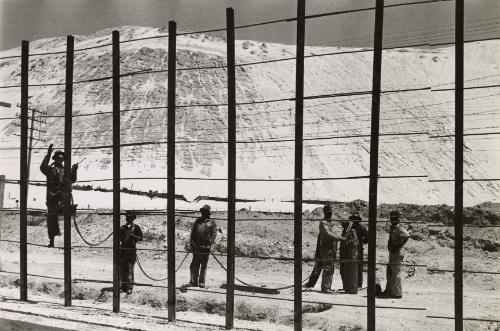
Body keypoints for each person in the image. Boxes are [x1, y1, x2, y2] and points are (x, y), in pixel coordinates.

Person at [40, 144, 78, 247]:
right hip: (52, 198)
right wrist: (48, 154)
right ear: (54, 159)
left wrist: (74, 170)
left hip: (63, 197)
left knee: (67, 216)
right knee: (51, 218)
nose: (59, 161)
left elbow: (73, 180)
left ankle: (67, 243)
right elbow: (42, 167)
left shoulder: (65, 170)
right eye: (57, 159)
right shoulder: (49, 169)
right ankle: (51, 241)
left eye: (61, 160)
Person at [304, 205, 346, 293]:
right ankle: (326, 288)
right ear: (325, 213)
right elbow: (328, 234)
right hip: (326, 249)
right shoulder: (323, 222)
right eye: (328, 212)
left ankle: (310, 284)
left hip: (328, 248)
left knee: (319, 266)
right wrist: (340, 238)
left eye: (330, 212)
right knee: (328, 267)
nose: (330, 214)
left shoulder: (329, 222)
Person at [380, 210, 410, 299]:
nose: (392, 220)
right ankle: (390, 291)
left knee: (396, 273)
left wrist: (399, 246)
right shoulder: (392, 227)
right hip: (392, 253)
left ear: (398, 219)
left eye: (394, 218)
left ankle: (397, 293)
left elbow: (407, 236)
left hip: (397, 253)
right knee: (390, 272)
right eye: (391, 218)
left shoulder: (398, 228)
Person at [188, 205, 217, 288]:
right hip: (196, 246)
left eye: (204, 211)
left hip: (205, 247)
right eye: (202, 211)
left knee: (203, 264)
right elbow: (193, 231)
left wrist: (209, 244)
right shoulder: (198, 221)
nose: (202, 213)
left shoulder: (211, 222)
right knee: (195, 263)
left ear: (208, 213)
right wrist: (191, 242)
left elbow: (213, 234)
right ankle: (194, 281)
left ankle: (202, 282)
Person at [119, 211, 143, 294]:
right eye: (127, 217)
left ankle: (129, 287)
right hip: (122, 251)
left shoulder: (136, 228)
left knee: (129, 269)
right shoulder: (122, 228)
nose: (128, 219)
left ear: (133, 219)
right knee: (122, 269)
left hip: (131, 251)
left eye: (129, 218)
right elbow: (118, 239)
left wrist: (133, 236)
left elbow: (141, 238)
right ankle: (123, 286)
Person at [339, 219, 358, 294]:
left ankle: (352, 289)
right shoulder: (344, 231)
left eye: (343, 224)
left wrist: (346, 241)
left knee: (351, 271)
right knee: (343, 271)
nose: (342, 225)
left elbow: (355, 241)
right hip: (344, 254)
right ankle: (346, 287)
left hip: (350, 254)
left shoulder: (352, 231)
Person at [350, 211, 368, 289]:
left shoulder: (362, 227)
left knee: (359, 267)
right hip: (352, 249)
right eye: (353, 218)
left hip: (359, 249)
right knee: (353, 266)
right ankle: (354, 283)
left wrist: (364, 241)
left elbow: (368, 235)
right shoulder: (352, 226)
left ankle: (359, 284)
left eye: (356, 218)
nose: (354, 220)